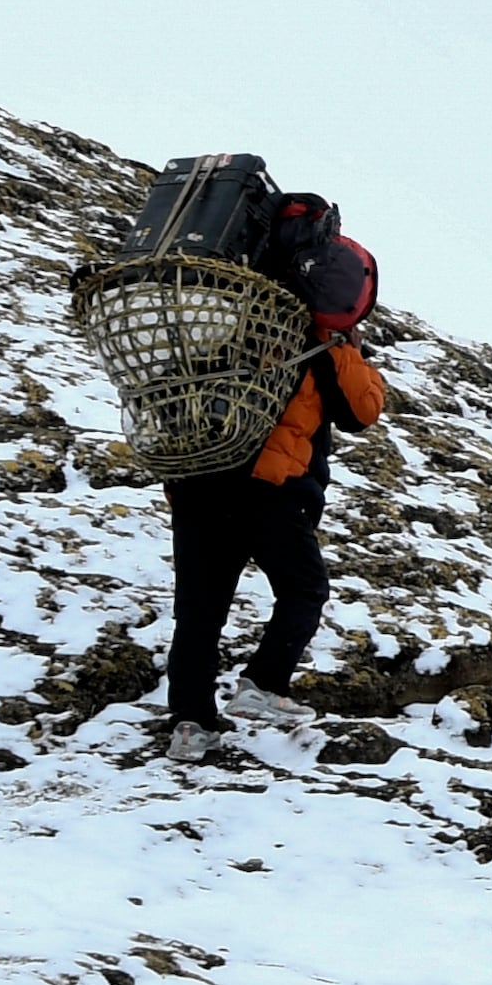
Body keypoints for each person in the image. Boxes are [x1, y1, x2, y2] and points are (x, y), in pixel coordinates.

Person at [165, 189, 385, 762]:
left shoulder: (220, 309)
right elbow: (362, 410)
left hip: (198, 479)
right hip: (272, 487)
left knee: (200, 611)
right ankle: (263, 685)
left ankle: (190, 726)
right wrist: (349, 346)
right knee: (303, 589)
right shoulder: (318, 332)